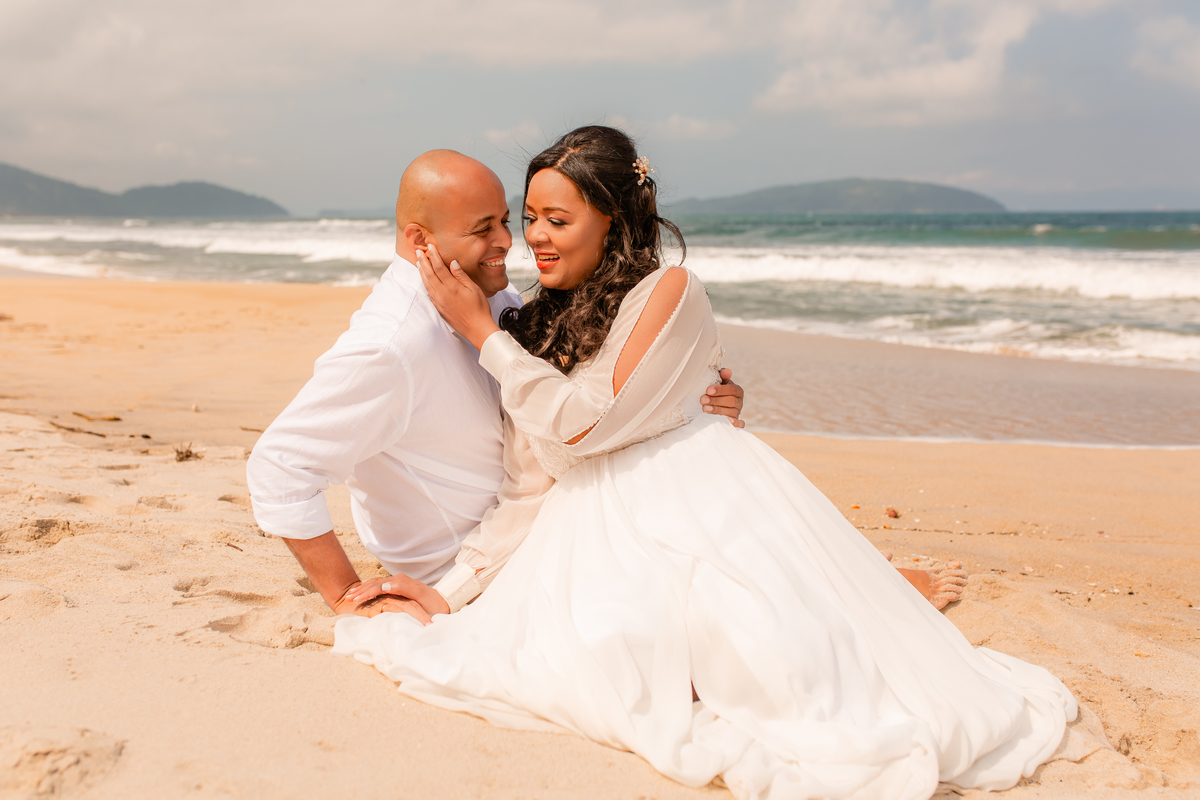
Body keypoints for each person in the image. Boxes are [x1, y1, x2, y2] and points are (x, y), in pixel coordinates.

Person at [333, 127, 1072, 800]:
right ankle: (861, 592)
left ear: (614, 222)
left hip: (691, 491)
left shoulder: (671, 290)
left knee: (776, 671)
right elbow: (531, 480)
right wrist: (452, 591)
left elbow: (588, 424)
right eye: (530, 218)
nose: (535, 238)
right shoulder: (531, 320)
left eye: (558, 220)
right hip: (584, 524)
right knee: (616, 658)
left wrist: (481, 335)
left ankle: (864, 597)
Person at [246, 149, 747, 621]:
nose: (510, 241)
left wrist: (684, 405)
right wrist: (344, 597)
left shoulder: (496, 301)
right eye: (484, 229)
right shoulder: (391, 345)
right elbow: (280, 467)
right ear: (422, 241)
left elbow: (595, 393)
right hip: (481, 572)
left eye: (507, 221)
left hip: (550, 532)